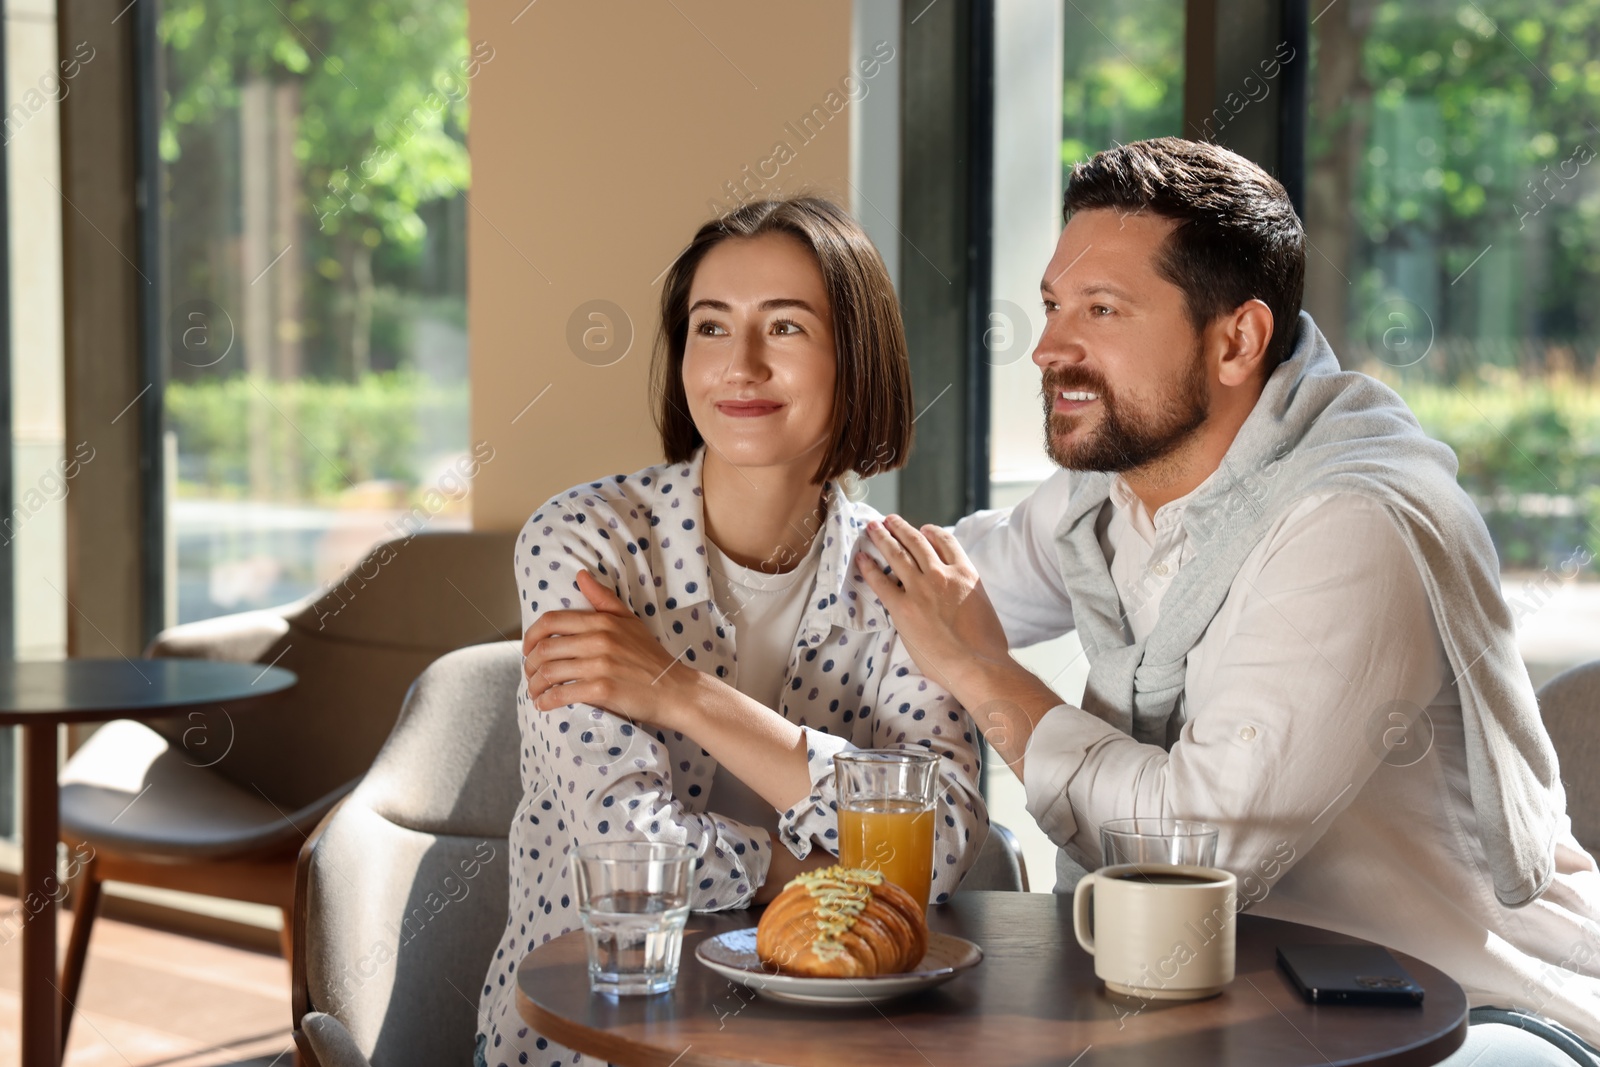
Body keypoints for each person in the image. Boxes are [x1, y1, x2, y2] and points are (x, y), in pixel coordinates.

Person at [857, 137, 1600, 1064]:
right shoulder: (1120, 489)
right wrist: (703, 536)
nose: (1048, 347)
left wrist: (982, 674)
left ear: (1237, 339)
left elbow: (1196, 848)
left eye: (1102, 309)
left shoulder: (1353, 525)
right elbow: (926, 584)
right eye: (1053, 305)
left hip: (1463, 1019)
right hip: (1231, 1013)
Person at [475, 196, 988, 1067]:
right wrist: (842, 869)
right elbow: (632, 855)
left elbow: (935, 853)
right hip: (598, 1036)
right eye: (710, 328)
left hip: (826, 1044)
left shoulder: (907, 577)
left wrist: (680, 691)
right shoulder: (584, 544)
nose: (739, 365)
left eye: (784, 328)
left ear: (856, 358)